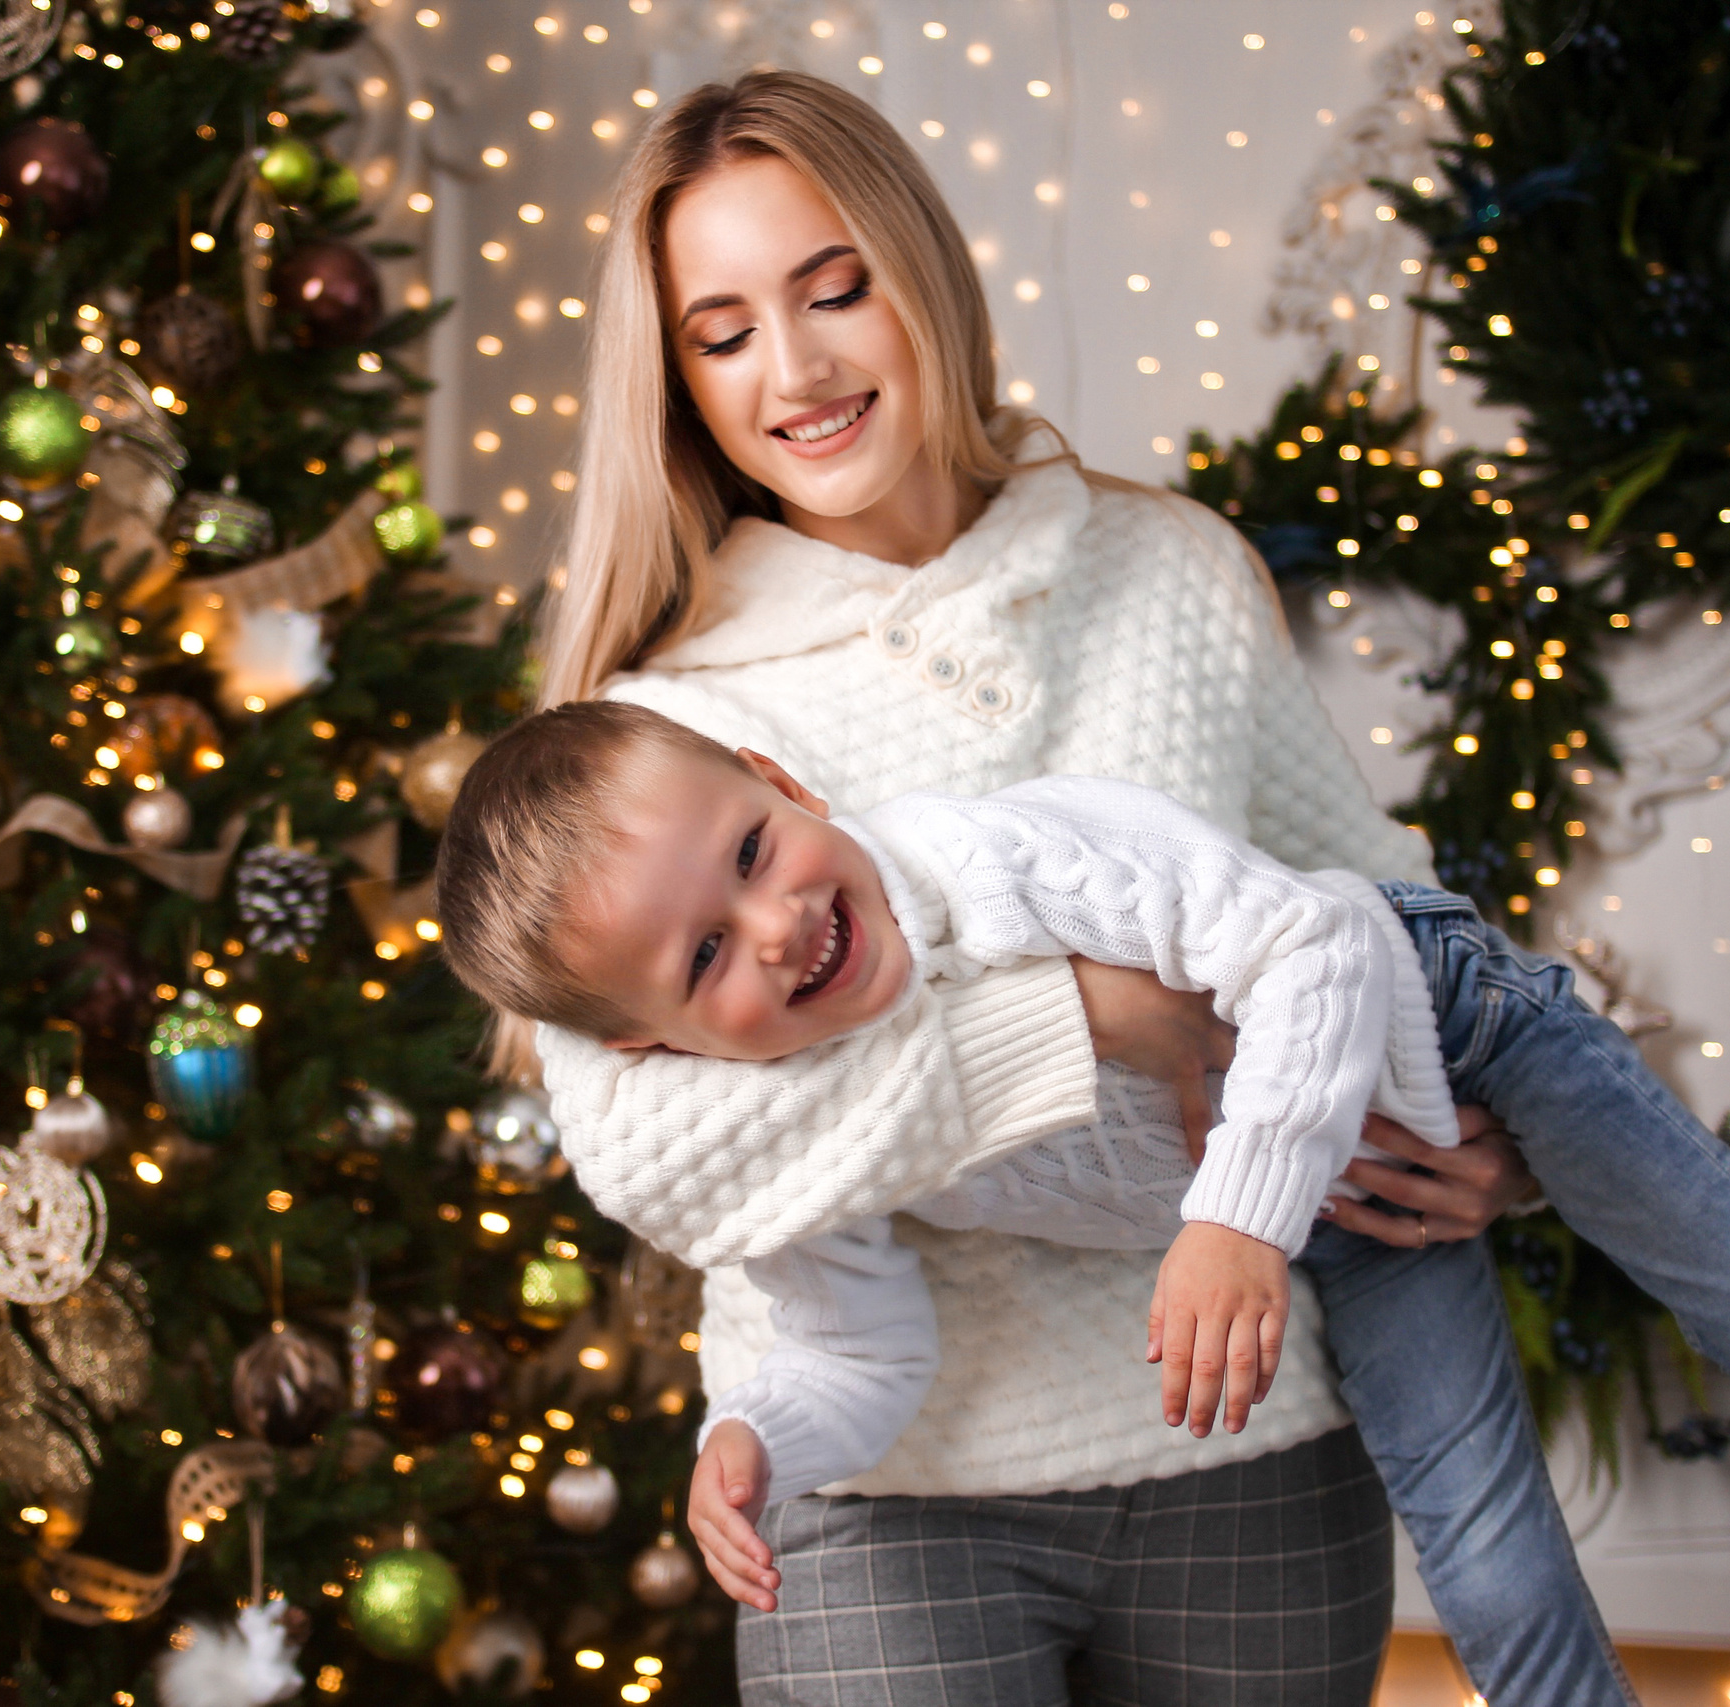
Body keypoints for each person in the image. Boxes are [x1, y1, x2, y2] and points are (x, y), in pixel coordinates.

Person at [520, 65, 1531, 1707]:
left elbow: (1385, 914)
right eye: (722, 335)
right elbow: (670, 1151)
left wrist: (1502, 1146)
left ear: (923, 270)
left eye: (834, 288)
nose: (796, 369)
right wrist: (1090, 1019)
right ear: (680, 385)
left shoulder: (1173, 571)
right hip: (878, 1492)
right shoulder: (663, 724)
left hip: (1249, 1443)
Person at [439, 700, 1730, 1697]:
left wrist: (1231, 1223)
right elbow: (858, 1349)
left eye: (757, 853)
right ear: (652, 1046)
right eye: (703, 959)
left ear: (781, 783)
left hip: (1442, 1019)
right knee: (1491, 1572)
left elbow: (1316, 956)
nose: (778, 928)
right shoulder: (810, 1134)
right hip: (1331, 1208)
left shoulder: (1005, 858)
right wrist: (758, 1431)